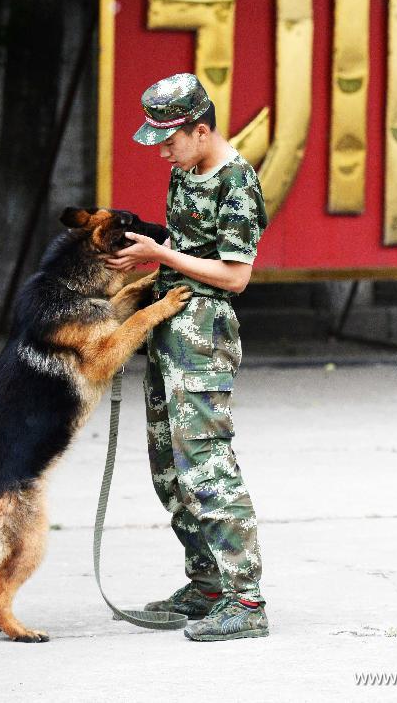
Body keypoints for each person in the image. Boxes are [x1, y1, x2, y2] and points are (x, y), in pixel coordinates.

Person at [106, 73, 269, 642]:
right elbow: (182, 254)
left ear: (201, 130)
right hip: (169, 325)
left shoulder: (237, 182)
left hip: (204, 336)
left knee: (207, 467)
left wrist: (163, 253)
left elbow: (235, 275)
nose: (164, 152)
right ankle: (206, 585)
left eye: (170, 140)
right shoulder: (186, 171)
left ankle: (245, 600)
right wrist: (150, 265)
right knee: (168, 468)